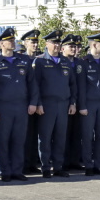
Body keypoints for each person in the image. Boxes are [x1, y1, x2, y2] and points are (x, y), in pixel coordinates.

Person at [0, 27, 37, 182]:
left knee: (19, 139)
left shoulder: (23, 61)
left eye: (13, 40)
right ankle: (4, 171)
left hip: (21, 106)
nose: (13, 43)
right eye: (9, 41)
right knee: (3, 140)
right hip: (3, 108)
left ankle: (17, 170)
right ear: (2, 44)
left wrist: (33, 103)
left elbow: (32, 84)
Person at [33, 30, 77, 178]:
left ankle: (58, 166)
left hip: (63, 104)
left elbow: (72, 85)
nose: (57, 45)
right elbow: (36, 86)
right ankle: (45, 167)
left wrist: (72, 102)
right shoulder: (40, 61)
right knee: (45, 137)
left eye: (59, 43)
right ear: (47, 44)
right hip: (47, 104)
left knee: (60, 137)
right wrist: (38, 104)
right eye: (54, 42)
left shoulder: (65, 62)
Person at [78, 32, 100, 176]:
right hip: (89, 104)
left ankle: (99, 165)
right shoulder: (84, 62)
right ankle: (88, 165)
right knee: (87, 136)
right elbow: (81, 87)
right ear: (94, 45)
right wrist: (82, 106)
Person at [61, 33, 84, 171]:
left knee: (77, 133)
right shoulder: (61, 62)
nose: (74, 49)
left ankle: (75, 161)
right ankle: (63, 161)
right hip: (66, 103)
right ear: (63, 48)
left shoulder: (80, 62)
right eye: (71, 46)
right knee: (63, 133)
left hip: (80, 103)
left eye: (75, 46)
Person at [21, 29, 42, 174]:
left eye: (36, 42)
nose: (35, 45)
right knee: (24, 135)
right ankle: (23, 164)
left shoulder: (41, 60)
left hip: (38, 102)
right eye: (32, 42)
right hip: (24, 103)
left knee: (35, 135)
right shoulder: (22, 60)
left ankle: (32, 163)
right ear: (25, 43)